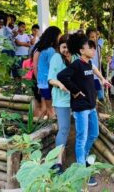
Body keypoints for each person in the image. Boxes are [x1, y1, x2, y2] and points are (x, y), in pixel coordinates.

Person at [57, 35, 99, 186]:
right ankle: (81, 170)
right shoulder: (76, 64)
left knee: (94, 133)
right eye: (90, 47)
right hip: (81, 108)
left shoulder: (89, 64)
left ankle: (84, 158)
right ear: (82, 50)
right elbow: (61, 76)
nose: (93, 50)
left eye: (93, 47)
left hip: (91, 106)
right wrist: (74, 91)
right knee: (82, 137)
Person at [48, 34, 71, 174]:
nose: (66, 50)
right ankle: (57, 163)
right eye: (63, 47)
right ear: (59, 47)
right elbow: (50, 79)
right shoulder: (56, 58)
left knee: (69, 129)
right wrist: (60, 84)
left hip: (75, 98)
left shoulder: (74, 58)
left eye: (69, 47)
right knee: (64, 129)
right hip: (61, 99)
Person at [35, 26, 62, 118]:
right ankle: (54, 126)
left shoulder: (43, 49)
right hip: (48, 82)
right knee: (50, 108)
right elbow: (54, 67)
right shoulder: (50, 50)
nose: (60, 39)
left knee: (46, 107)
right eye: (59, 36)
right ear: (54, 37)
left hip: (42, 82)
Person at [86, 27, 104, 101]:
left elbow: (101, 40)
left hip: (98, 75)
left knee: (100, 97)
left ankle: (97, 110)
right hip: (90, 75)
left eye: (96, 36)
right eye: (92, 37)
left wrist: (98, 34)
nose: (95, 38)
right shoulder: (86, 49)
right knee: (92, 96)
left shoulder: (99, 46)